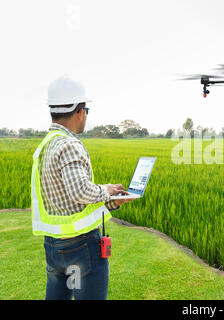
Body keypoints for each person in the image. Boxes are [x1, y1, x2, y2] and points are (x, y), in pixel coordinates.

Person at [31, 75, 136, 300]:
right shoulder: (69, 145)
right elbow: (79, 191)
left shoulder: (45, 146)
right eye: (85, 109)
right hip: (80, 248)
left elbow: (67, 201)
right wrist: (106, 190)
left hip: (54, 246)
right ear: (79, 111)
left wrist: (112, 202)